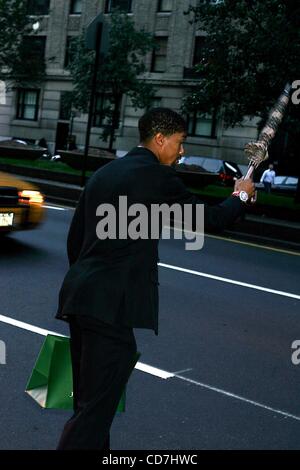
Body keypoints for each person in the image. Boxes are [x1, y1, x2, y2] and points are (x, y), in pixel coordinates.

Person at [55, 108, 255, 450]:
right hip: (109, 308)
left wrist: (91, 280)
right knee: (95, 410)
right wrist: (242, 194)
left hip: (80, 298)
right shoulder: (154, 176)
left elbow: (75, 241)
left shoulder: (104, 174)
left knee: (89, 401)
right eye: (179, 143)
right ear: (160, 139)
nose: (181, 152)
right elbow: (211, 220)